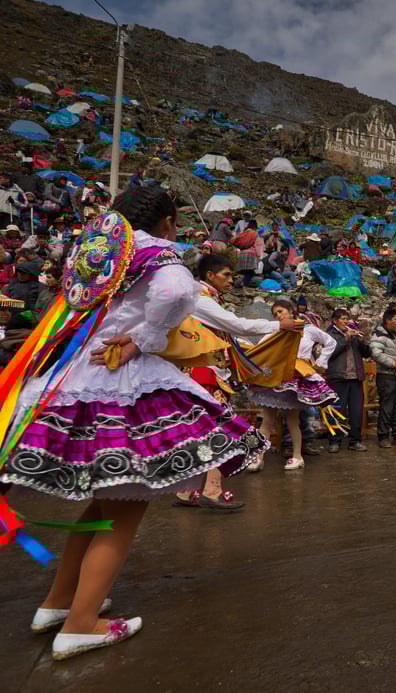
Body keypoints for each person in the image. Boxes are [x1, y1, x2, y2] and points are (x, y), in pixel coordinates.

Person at [1, 187, 267, 660]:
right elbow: (176, 291)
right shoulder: (157, 253)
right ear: (167, 221)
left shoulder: (100, 251)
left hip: (76, 375)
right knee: (123, 507)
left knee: (101, 504)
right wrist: (144, 337)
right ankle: (82, 623)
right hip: (122, 383)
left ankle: (59, 603)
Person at [173, 254, 300, 510]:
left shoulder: (203, 299)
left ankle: (187, 491)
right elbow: (236, 325)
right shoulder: (201, 299)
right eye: (226, 275)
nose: (232, 280)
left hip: (201, 373)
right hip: (206, 375)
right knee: (220, 432)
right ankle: (212, 490)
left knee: (199, 433)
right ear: (210, 275)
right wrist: (278, 326)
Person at [247, 299, 337, 472]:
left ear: (291, 311)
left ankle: (297, 456)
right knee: (267, 419)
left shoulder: (308, 330)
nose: (278, 316)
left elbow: (330, 342)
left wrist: (321, 363)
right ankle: (258, 457)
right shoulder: (274, 331)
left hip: (296, 377)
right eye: (275, 314)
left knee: (292, 420)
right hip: (275, 378)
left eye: (280, 311)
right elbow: (258, 350)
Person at [326, 308, 371, 453]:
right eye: (343, 318)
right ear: (335, 321)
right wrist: (345, 339)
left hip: (355, 378)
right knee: (337, 410)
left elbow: (366, 354)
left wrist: (362, 341)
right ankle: (334, 441)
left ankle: (355, 441)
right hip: (338, 378)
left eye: (347, 318)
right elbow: (329, 353)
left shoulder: (353, 333)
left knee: (356, 411)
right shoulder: (329, 335)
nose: (346, 321)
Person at [370, 307, 396, 448]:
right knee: (387, 406)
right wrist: (394, 363)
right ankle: (383, 437)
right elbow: (375, 353)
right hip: (386, 376)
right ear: (387, 321)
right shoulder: (379, 335)